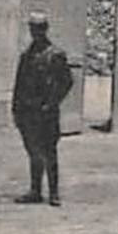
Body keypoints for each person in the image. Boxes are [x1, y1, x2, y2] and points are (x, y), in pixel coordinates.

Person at [11, 11, 75, 206]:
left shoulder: (55, 55)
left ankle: (54, 193)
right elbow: (19, 84)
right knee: (33, 151)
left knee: (49, 152)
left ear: (45, 29)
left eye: (39, 28)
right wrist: (16, 109)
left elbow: (67, 81)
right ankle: (35, 190)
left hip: (46, 112)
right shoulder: (27, 55)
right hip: (28, 111)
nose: (35, 32)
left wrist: (52, 102)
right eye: (32, 28)